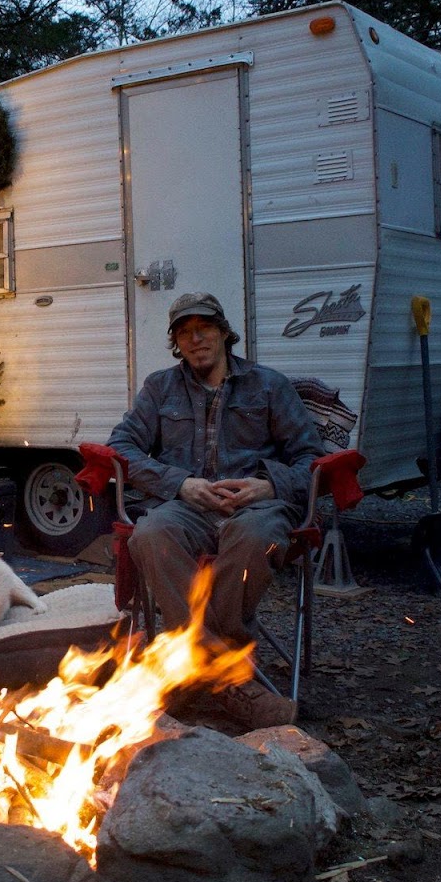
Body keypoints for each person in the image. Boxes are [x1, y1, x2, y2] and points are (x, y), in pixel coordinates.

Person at [107, 292, 324, 727]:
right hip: (186, 507)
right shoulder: (159, 387)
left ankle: (193, 663)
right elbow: (120, 447)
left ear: (225, 332)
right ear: (176, 342)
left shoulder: (269, 385)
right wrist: (180, 484)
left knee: (256, 538)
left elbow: (310, 458)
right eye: (184, 332)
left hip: (253, 509)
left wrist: (268, 485)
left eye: (204, 327)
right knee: (149, 535)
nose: (196, 338)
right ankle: (230, 678)